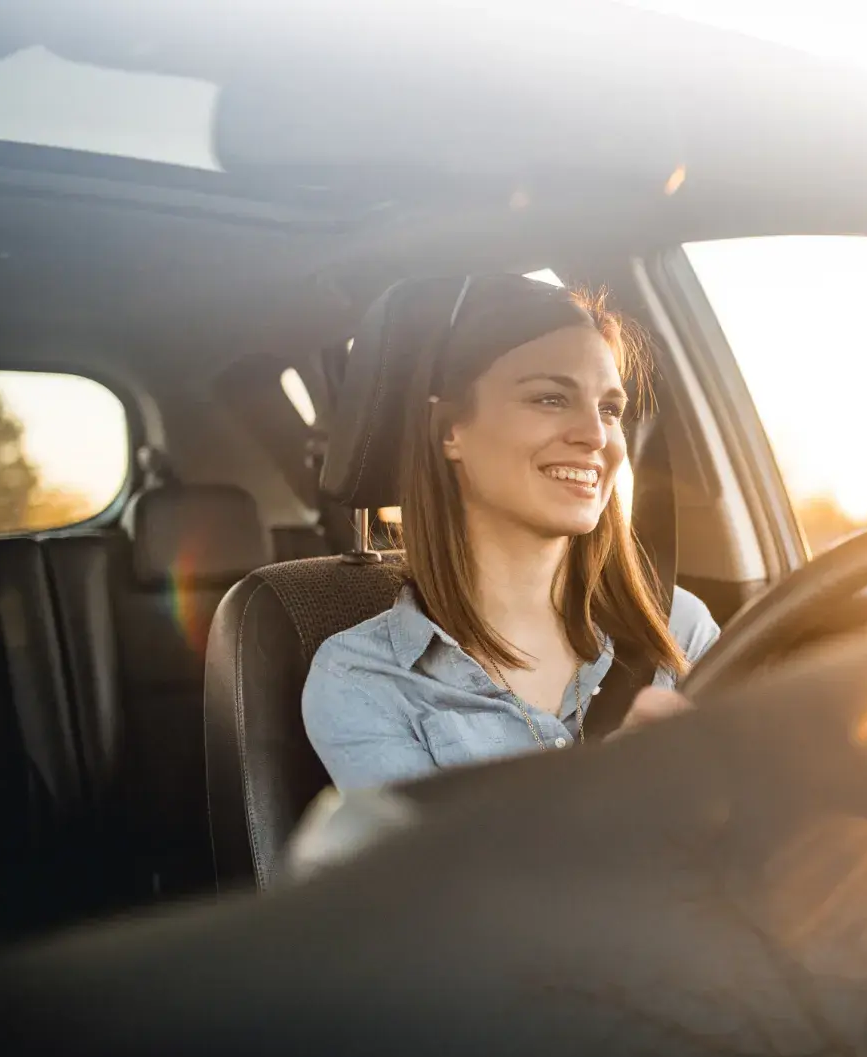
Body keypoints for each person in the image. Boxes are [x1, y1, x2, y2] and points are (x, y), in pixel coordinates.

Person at [303, 277, 719, 791]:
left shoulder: (678, 628)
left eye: (610, 409)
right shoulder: (363, 679)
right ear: (450, 430)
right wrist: (615, 791)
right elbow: (444, 872)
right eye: (550, 398)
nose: (596, 436)